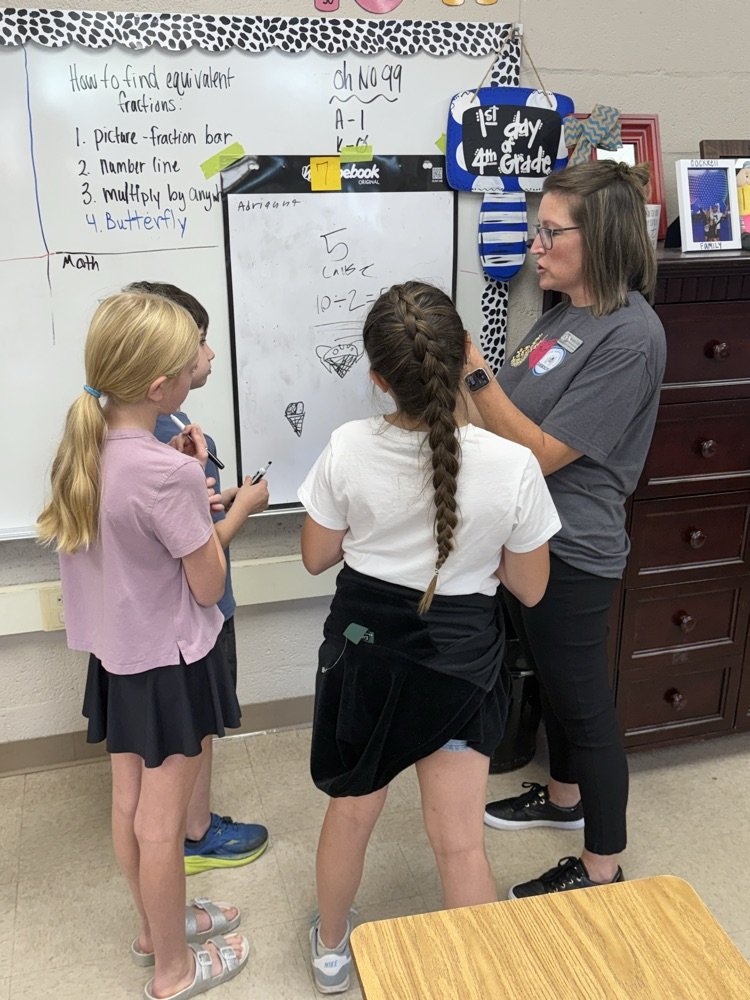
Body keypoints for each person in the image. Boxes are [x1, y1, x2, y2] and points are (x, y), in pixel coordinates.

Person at [298, 280, 561, 993]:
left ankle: (331, 951)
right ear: (465, 355)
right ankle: (474, 979)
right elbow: (530, 588)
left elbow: (317, 556)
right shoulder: (513, 465)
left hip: (368, 657)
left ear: (379, 378)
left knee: (352, 812)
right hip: (460, 664)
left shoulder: (348, 445)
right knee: (460, 842)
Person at [37, 291, 250, 1000]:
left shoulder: (84, 449)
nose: (197, 369)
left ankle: (155, 931)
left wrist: (181, 485)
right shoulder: (170, 472)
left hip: (119, 661)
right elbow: (206, 585)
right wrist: (223, 505)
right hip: (171, 665)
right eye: (190, 364)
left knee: (129, 803)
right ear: (160, 388)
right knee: (161, 825)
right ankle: (174, 971)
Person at [467, 160, 667, 898]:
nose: (535, 245)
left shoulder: (631, 337)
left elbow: (544, 453)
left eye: (551, 232)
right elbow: (509, 412)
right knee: (552, 687)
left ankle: (601, 866)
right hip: (527, 539)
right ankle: (562, 799)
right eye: (537, 229)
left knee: (584, 707)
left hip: (573, 549)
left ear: (601, 238)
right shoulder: (564, 313)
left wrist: (474, 373)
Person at [125, 280, 270, 876]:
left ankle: (188, 827)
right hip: (191, 617)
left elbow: (184, 520)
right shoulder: (157, 438)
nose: (208, 355)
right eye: (200, 342)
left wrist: (217, 499)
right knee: (195, 731)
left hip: (176, 621)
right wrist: (243, 510)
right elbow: (198, 563)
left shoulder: (162, 423)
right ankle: (194, 832)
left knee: (193, 733)